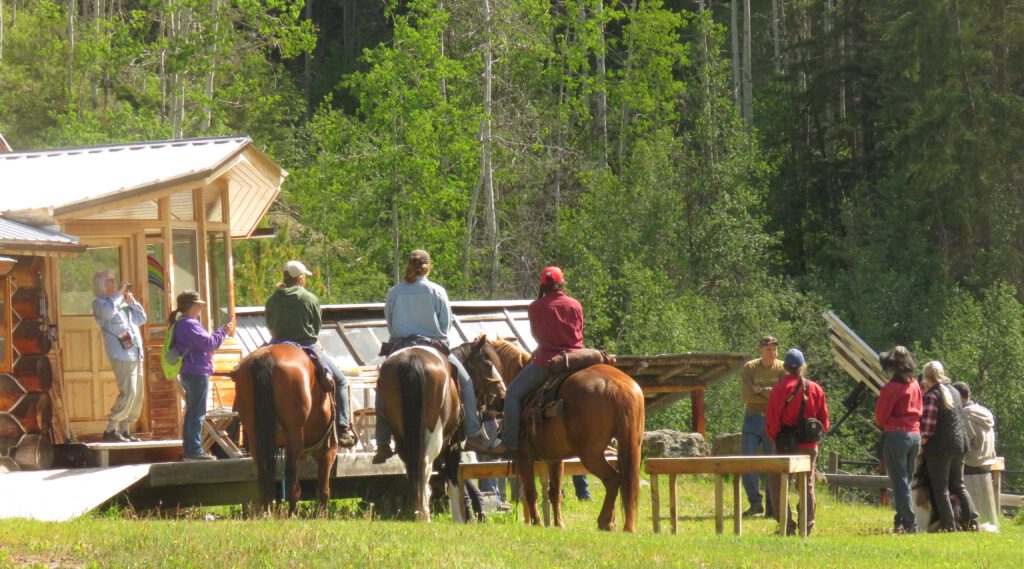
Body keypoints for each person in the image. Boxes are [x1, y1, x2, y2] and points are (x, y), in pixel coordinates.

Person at [373, 250, 492, 463]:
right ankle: (473, 434)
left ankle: (382, 442)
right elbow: (445, 326)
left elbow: (390, 323)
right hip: (432, 346)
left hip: (400, 345)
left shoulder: (394, 292)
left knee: (383, 386)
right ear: (428, 267)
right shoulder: (437, 290)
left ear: (408, 265)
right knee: (465, 382)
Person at [491, 266, 583, 455]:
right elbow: (579, 331)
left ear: (543, 284)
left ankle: (509, 442)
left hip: (548, 362)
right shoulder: (575, 304)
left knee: (513, 394)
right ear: (561, 283)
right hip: (578, 359)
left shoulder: (536, 307)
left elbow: (536, 335)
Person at [265, 260, 356, 448]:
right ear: (300, 278)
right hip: (306, 345)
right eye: (304, 277)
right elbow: (316, 327)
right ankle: (343, 426)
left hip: (276, 343)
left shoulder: (272, 300)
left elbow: (269, 324)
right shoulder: (310, 299)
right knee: (341, 381)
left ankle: (236, 429)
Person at [766, 348, 829, 536]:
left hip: (785, 445)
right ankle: (807, 526)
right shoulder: (815, 389)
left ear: (785, 367)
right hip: (809, 446)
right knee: (807, 484)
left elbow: (772, 420)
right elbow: (824, 421)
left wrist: (777, 440)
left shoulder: (779, 389)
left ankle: (787, 526)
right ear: (803, 367)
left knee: (777, 483)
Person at [169, 291, 234, 461]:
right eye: (198, 304)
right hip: (197, 372)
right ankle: (194, 450)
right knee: (197, 412)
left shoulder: (181, 323)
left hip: (189, 372)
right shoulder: (190, 324)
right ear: (189, 306)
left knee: (192, 411)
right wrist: (223, 331)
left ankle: (191, 449)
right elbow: (209, 344)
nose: (201, 307)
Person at [919, 361, 979, 532]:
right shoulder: (954, 391)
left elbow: (928, 428)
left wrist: (920, 445)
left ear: (926, 377)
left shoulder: (932, 395)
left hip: (940, 448)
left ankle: (949, 526)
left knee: (941, 489)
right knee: (958, 485)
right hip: (960, 444)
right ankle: (973, 521)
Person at [92, 269, 147, 443]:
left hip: (135, 353)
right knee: (128, 390)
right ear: (101, 284)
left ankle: (125, 430)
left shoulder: (121, 303)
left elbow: (142, 318)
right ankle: (111, 429)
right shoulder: (100, 303)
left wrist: (132, 302)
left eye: (114, 280)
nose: (114, 283)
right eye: (110, 280)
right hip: (121, 354)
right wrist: (118, 296)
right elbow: (108, 313)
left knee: (137, 393)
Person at [875, 345, 923, 533]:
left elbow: (880, 417)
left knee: (900, 482)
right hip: (915, 435)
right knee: (907, 480)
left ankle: (910, 523)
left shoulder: (891, 388)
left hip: (897, 437)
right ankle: (901, 519)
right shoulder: (915, 385)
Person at [739, 335, 786, 517]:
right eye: (768, 349)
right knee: (746, 461)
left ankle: (772, 507)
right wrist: (770, 393)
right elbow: (746, 395)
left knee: (771, 464)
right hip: (752, 418)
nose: (772, 353)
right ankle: (755, 503)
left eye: (774, 349)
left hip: (773, 419)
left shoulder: (782, 368)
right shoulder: (750, 368)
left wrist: (761, 391)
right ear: (760, 350)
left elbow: (781, 397)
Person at [952, 381, 998, 527]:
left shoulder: (965, 415)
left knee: (942, 477)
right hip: (987, 461)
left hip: (972, 462)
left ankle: (959, 520)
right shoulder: (984, 412)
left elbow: (962, 443)